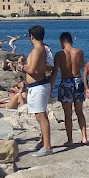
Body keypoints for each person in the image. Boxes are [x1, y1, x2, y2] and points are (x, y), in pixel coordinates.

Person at [51, 32, 88, 146]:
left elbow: (55, 71)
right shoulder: (79, 52)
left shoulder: (59, 54)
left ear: (62, 41)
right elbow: (81, 65)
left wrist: (51, 85)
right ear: (71, 41)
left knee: (68, 113)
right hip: (78, 81)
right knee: (79, 112)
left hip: (66, 81)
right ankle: (84, 137)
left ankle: (70, 139)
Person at [24, 25, 53, 157]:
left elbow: (31, 70)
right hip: (40, 85)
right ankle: (43, 142)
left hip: (38, 86)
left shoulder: (37, 50)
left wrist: (21, 66)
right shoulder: (44, 49)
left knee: (41, 117)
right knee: (40, 116)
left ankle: (47, 147)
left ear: (32, 36)